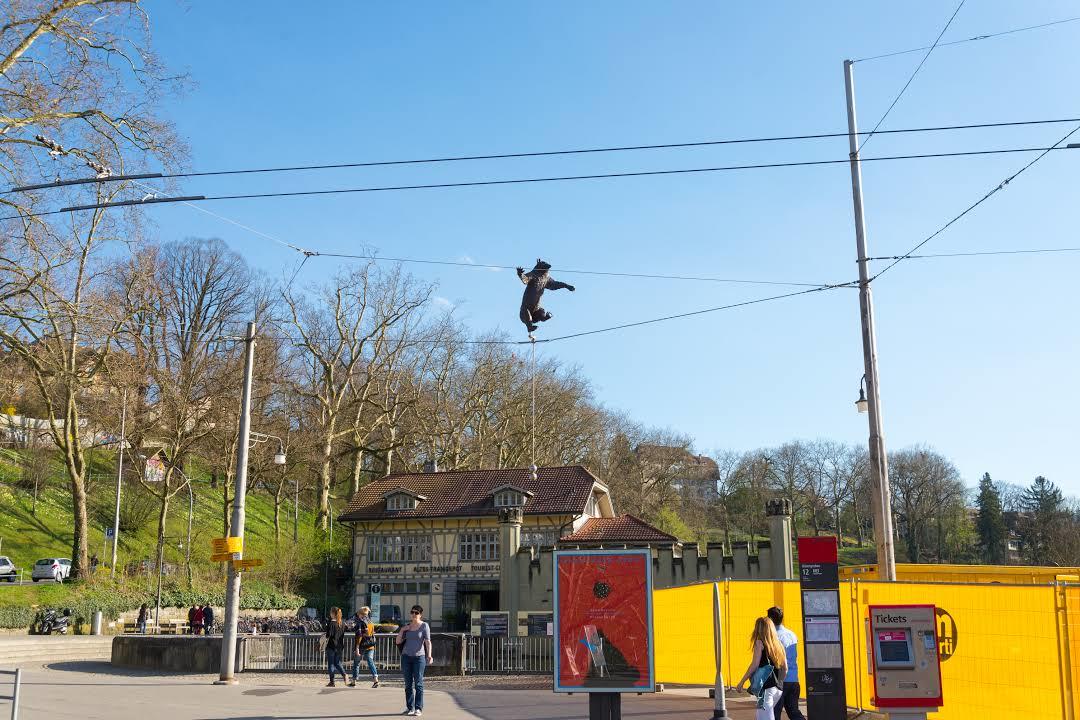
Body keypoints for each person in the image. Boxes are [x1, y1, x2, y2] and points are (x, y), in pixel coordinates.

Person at [735, 616, 787, 720]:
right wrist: (779, 683)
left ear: (758, 629)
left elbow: (754, 665)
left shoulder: (759, 643)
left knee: (765, 717)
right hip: (778, 689)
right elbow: (785, 668)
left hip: (766, 689)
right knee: (761, 716)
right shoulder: (779, 644)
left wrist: (742, 681)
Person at [767, 607, 805, 720]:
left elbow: (774, 660)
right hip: (794, 679)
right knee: (794, 712)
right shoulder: (792, 634)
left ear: (770, 619)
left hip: (779, 680)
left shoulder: (773, 637)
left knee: (774, 713)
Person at [396, 604, 432, 716]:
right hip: (406, 657)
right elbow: (398, 641)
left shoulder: (424, 626)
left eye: (416, 613)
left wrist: (429, 655)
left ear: (420, 615)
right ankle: (409, 708)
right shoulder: (407, 626)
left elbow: (427, 642)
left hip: (419, 657)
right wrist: (402, 630)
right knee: (408, 684)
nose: (414, 614)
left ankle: (418, 708)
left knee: (418, 683)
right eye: (412, 612)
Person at [351, 605, 380, 688]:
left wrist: (357, 648)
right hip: (370, 646)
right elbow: (372, 634)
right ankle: (375, 680)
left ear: (361, 614)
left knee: (356, 663)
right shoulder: (371, 623)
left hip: (361, 646)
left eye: (358, 614)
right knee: (370, 662)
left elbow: (359, 636)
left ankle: (354, 681)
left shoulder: (360, 623)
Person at [324, 606, 348, 687]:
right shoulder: (342, 623)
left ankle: (332, 681)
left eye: (330, 612)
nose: (330, 614)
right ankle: (344, 674)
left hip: (331, 645)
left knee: (331, 664)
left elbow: (328, 635)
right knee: (337, 663)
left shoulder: (331, 623)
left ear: (333, 613)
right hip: (339, 646)